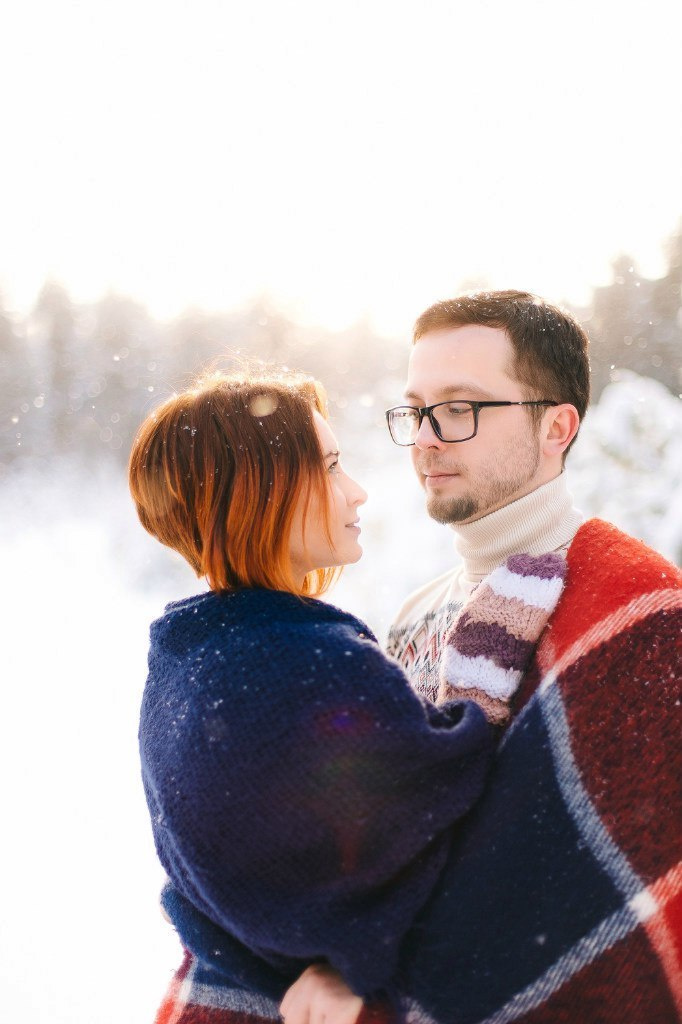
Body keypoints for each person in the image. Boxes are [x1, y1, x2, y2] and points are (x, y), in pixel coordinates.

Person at [281, 290, 682, 1023]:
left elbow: (592, 895)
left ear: (557, 426)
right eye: (415, 410)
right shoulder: (412, 620)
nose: (428, 438)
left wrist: (380, 995)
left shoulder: (636, 609)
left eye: (460, 408)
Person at [129, 364, 569, 1024]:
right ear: (260, 491)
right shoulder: (304, 662)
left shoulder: (185, 658)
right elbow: (448, 815)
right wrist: (486, 664)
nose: (356, 493)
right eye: (330, 467)